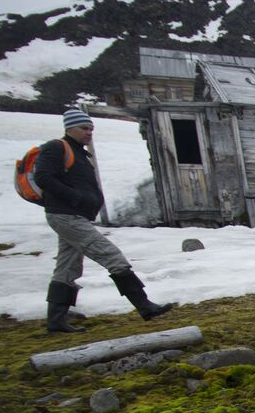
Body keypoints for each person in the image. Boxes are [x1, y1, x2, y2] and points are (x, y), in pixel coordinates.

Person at [35, 107, 173, 333]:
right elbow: (43, 177)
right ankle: (144, 305)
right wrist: (75, 197)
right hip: (67, 216)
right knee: (112, 257)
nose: (89, 132)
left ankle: (56, 320)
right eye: (84, 128)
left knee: (67, 267)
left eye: (91, 128)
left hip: (73, 216)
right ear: (69, 128)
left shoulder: (79, 152)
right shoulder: (56, 147)